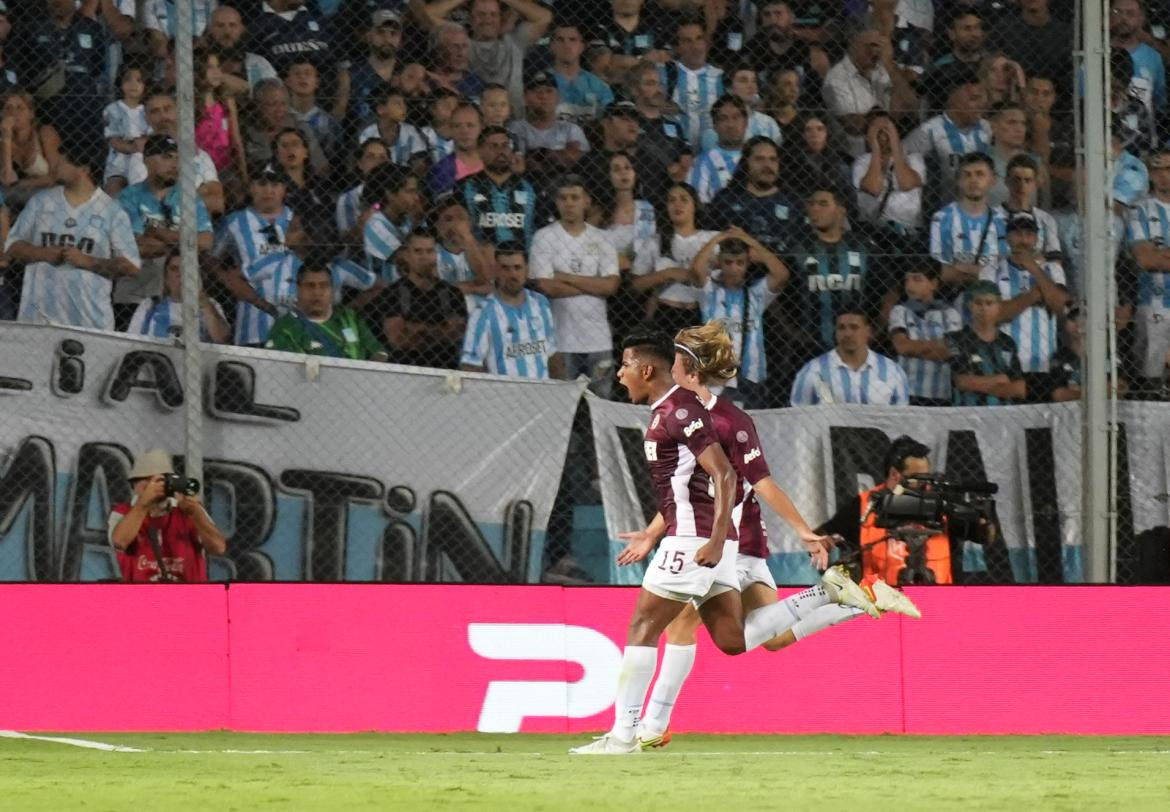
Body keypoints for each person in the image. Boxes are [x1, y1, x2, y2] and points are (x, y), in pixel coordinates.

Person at [568, 329, 876, 755]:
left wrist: (718, 539)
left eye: (624, 365)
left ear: (652, 369)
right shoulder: (678, 411)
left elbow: (734, 477)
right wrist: (659, 531)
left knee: (644, 627)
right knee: (732, 640)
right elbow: (693, 485)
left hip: (698, 542)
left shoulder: (687, 413)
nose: (619, 374)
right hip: (707, 538)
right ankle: (827, 594)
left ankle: (626, 735)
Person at [626, 322, 918, 750]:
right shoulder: (682, 411)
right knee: (771, 638)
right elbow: (684, 491)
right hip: (722, 539)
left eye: (675, 359)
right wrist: (654, 533)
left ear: (689, 366)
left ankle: (651, 724)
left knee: (685, 623)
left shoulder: (728, 419)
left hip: (730, 543)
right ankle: (862, 598)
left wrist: (804, 531)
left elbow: (761, 483)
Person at [5, 139, 140, 331]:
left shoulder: (112, 211)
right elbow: (12, 246)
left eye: (62, 162)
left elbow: (131, 266)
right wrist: (43, 253)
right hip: (37, 319)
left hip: (89, 321)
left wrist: (88, 261)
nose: (56, 166)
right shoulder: (41, 202)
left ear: (84, 169)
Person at [815, 436, 962, 587]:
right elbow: (821, 536)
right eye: (916, 479)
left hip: (940, 601)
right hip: (880, 603)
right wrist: (826, 545)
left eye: (926, 478)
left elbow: (981, 532)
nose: (923, 485)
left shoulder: (941, 504)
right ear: (894, 474)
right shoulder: (865, 505)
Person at [529, 174, 620, 394]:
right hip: (559, 341)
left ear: (586, 201)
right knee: (563, 406)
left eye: (574, 197)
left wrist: (564, 276)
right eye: (563, 198)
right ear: (556, 202)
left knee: (602, 405)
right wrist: (593, 284)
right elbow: (544, 286)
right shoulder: (543, 237)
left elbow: (611, 286)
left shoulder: (603, 238)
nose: (569, 203)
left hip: (599, 340)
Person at [116, 134, 215, 330]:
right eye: (167, 157)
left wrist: (159, 233)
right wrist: (184, 243)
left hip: (181, 301)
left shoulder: (189, 198)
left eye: (178, 158)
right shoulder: (128, 197)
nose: (174, 164)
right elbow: (136, 246)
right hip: (134, 296)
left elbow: (206, 241)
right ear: (146, 160)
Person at [785, 186, 889, 363]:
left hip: (856, 348)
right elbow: (775, 290)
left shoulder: (863, 247)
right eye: (812, 204)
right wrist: (791, 332)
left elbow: (890, 290)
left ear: (841, 210)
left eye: (823, 203)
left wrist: (877, 329)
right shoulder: (797, 248)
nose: (814, 208)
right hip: (810, 349)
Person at [690, 230, 791, 407]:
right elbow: (696, 270)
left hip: (752, 378)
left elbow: (782, 274)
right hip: (717, 380)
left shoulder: (756, 294)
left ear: (747, 264)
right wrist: (718, 239)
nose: (734, 268)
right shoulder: (710, 293)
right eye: (728, 262)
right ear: (720, 263)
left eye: (740, 263)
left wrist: (751, 241)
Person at [210, 164, 306, 346]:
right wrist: (227, 280)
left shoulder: (299, 220)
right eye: (262, 184)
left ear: (284, 188)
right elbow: (211, 258)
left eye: (275, 184)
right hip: (253, 325)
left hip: (299, 322)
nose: (268, 190)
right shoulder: (234, 221)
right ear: (251, 187)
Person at [108, 448, 227, 583]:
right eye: (147, 480)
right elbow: (119, 542)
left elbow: (218, 548)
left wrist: (195, 512)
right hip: (140, 596)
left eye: (161, 480)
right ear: (133, 485)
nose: (155, 486)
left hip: (189, 595)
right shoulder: (123, 512)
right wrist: (143, 504)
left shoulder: (188, 510)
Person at [418, 0, 552, 114]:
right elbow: (427, 14)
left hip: (513, 120)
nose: (487, 20)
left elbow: (544, 17)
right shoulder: (461, 43)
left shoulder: (514, 41)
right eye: (481, 14)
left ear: (501, 19)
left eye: (493, 14)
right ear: (470, 19)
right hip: (472, 118)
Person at [366, 228, 468, 369]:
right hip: (405, 369)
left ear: (436, 254)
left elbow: (455, 334)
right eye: (418, 251)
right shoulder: (392, 293)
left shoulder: (452, 293)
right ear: (407, 255)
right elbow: (399, 339)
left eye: (429, 251)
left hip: (446, 369)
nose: (424, 256)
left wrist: (416, 329)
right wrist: (440, 330)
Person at [460, 242, 563, 379]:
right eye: (505, 268)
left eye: (517, 268)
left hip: (541, 394)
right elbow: (470, 365)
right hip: (505, 396)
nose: (512, 274)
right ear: (496, 271)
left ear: (527, 270)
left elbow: (552, 353)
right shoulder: (483, 312)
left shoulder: (540, 303)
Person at [981, 213, 1069, 373]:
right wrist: (1034, 295)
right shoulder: (991, 269)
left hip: (1045, 362)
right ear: (1007, 237)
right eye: (1017, 233)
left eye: (1029, 234)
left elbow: (1062, 307)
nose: (1023, 239)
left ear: (1036, 239)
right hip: (1005, 364)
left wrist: (1033, 267)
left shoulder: (1052, 269)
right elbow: (992, 316)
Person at [632, 182, 714, 334]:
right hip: (664, 314)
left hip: (701, 314)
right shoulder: (654, 241)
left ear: (695, 206)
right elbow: (635, 286)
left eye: (684, 199)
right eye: (671, 200)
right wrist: (667, 274)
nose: (677, 204)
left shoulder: (711, 239)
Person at [821, 28, 915, 158]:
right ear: (854, 45)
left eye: (879, 46)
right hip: (853, 154)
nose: (876, 51)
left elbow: (908, 103)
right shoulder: (836, 78)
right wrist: (884, 116)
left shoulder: (883, 70)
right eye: (871, 45)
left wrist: (889, 64)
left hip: (889, 147)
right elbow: (854, 126)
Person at [903, 71, 991, 208]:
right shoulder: (929, 131)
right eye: (974, 99)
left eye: (982, 99)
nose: (981, 105)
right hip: (945, 210)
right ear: (953, 101)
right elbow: (899, 157)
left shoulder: (988, 129)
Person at [790, 309, 910, 406]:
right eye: (841, 328)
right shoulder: (814, 370)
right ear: (835, 332)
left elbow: (901, 418)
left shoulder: (892, 371)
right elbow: (799, 416)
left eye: (854, 327)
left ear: (868, 332)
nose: (847, 334)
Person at [265, 264, 386, 360]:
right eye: (310, 286)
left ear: (332, 290)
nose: (317, 292)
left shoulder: (351, 318)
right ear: (298, 289)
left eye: (324, 286)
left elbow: (379, 352)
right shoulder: (284, 327)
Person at [888, 260, 963, 406]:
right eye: (907, 280)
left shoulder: (950, 313)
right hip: (907, 393)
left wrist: (915, 347)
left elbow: (953, 350)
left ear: (934, 284)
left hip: (941, 394)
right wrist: (939, 347)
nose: (909, 285)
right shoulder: (899, 311)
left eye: (917, 279)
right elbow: (902, 347)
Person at [707, 136, 797, 256]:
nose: (767, 165)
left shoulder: (792, 202)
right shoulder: (725, 199)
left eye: (773, 159)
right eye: (759, 159)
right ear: (746, 163)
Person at [142, 90, 225, 217]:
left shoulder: (200, 155)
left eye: (167, 109)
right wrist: (199, 193)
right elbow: (148, 204)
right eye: (155, 111)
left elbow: (216, 203)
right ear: (146, 118)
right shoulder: (141, 156)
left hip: (200, 227)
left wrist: (173, 199)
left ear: (177, 112)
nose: (163, 116)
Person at [1127, 147, 1170, 389]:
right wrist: (1153, 256)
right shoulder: (1139, 208)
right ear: (1150, 174)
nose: (1163, 175)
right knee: (1151, 380)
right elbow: (1144, 259)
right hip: (1152, 305)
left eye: (1168, 169)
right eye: (1157, 169)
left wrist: (1160, 254)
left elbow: (1154, 257)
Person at [929, 152, 1006, 287]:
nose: (973, 180)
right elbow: (943, 272)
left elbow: (1005, 269)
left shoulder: (1002, 221)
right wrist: (984, 272)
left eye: (980, 174)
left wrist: (962, 268)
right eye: (967, 174)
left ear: (993, 180)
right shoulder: (942, 218)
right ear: (959, 181)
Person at [946, 280, 1025, 405]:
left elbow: (1020, 389)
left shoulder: (1007, 342)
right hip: (967, 416)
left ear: (999, 306)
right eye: (978, 303)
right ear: (969, 305)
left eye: (989, 303)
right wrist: (1002, 379)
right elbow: (962, 381)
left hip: (1004, 417)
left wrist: (979, 383)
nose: (984, 308)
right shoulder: (956, 339)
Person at [456, 125, 537, 248]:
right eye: (494, 146)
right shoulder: (464, 186)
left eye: (505, 146)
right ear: (480, 151)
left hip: (522, 261)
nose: (501, 151)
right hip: (482, 261)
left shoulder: (529, 186)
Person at [852, 108, 925, 242]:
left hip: (909, 231)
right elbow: (873, 189)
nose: (882, 134)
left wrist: (896, 146)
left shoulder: (914, 158)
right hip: (874, 231)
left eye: (886, 128)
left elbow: (907, 184)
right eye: (876, 129)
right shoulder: (862, 161)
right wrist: (875, 148)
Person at [126, 250, 231, 344]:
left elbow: (222, 339)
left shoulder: (210, 304)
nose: (180, 274)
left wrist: (206, 307)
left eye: (187, 269)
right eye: (174, 269)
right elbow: (131, 340)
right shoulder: (150, 304)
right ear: (166, 277)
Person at [508, 71, 589, 179]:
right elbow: (519, 164)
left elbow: (580, 160)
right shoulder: (515, 128)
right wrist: (560, 154)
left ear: (558, 97)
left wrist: (540, 153)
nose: (543, 96)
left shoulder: (571, 129)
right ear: (525, 97)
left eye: (549, 91)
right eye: (537, 91)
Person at [665, 19, 724, 150]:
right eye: (687, 41)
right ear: (678, 47)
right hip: (675, 149)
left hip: (713, 150)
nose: (695, 46)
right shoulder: (666, 72)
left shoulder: (720, 77)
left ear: (706, 43)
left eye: (699, 39)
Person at [345, 9, 404, 135]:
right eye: (381, 32)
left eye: (393, 33)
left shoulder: (408, 73)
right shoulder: (350, 74)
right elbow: (339, 116)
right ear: (369, 36)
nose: (387, 39)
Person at [273, 127, 334, 248]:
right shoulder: (273, 189)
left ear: (305, 152)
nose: (290, 149)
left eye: (295, 144)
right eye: (284, 146)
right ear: (277, 155)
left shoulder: (319, 185)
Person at [361, 162, 422, 284]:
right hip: (388, 293)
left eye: (416, 192)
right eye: (410, 191)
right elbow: (408, 260)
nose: (417, 198)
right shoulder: (374, 225)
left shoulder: (406, 220)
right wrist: (417, 221)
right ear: (390, 194)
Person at [0, 90, 62, 206]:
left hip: (48, 193)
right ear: (2, 114)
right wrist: (6, 137)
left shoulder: (44, 133)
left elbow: (56, 176)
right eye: (8, 108)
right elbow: (7, 180)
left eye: (20, 108)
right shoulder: (3, 140)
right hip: (14, 196)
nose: (13, 112)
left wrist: (21, 184)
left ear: (31, 114)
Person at [993, 154, 1061, 257]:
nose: (1022, 186)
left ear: (1035, 183)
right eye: (1016, 179)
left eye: (1027, 180)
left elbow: (1055, 262)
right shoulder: (992, 216)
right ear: (1007, 181)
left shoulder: (1045, 220)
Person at [433, 197, 494, 307]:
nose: (456, 224)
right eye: (448, 219)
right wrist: (475, 287)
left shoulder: (486, 249)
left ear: (470, 222)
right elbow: (436, 292)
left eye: (461, 218)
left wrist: (468, 241)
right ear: (438, 227)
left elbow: (488, 281)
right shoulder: (432, 253)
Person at [550, 23, 614, 123]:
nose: (566, 46)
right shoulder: (542, 84)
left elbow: (607, 123)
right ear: (552, 46)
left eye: (572, 40)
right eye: (560, 40)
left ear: (582, 46)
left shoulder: (601, 87)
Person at [689, 94, 747, 203]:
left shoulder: (758, 157)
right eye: (724, 119)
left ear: (746, 123)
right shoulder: (701, 163)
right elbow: (698, 204)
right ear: (715, 126)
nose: (731, 125)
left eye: (736, 117)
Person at [708, 65, 782, 151]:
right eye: (743, 81)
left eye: (754, 81)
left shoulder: (769, 123)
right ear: (729, 88)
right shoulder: (715, 124)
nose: (751, 86)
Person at [355, 86, 428, 173]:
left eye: (404, 103)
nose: (404, 108)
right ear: (381, 109)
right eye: (397, 104)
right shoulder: (367, 133)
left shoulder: (410, 130)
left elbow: (419, 162)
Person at [101, 63, 148, 197]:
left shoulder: (147, 110)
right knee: (113, 190)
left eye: (139, 80)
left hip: (142, 159)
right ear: (120, 83)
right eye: (128, 79)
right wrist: (132, 147)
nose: (133, 84)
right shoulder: (112, 109)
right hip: (118, 161)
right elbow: (113, 139)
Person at [284, 60, 342, 166]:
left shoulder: (330, 122)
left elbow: (334, 158)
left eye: (307, 73)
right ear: (288, 82)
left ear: (317, 82)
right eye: (297, 73)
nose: (302, 77)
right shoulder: (280, 117)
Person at [336, 137, 389, 242]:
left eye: (382, 158)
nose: (377, 162)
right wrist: (361, 226)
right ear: (360, 164)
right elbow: (347, 240)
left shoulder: (400, 191)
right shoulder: (347, 199)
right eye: (371, 157)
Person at [429, 102, 484, 198]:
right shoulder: (442, 169)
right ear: (450, 129)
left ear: (481, 128)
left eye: (470, 125)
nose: (464, 131)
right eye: (457, 126)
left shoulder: (495, 163)